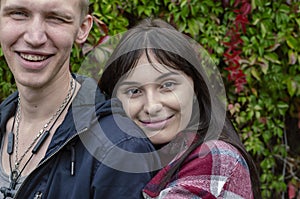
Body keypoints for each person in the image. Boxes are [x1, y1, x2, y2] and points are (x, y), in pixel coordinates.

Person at [0, 0, 160, 198]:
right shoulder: (4, 119)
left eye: (56, 18)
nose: (35, 37)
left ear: (82, 29)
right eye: (18, 13)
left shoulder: (118, 150)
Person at [99, 18, 262, 198]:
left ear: (195, 88)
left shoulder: (215, 156)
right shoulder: (136, 158)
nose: (152, 106)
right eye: (135, 90)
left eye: (167, 85)